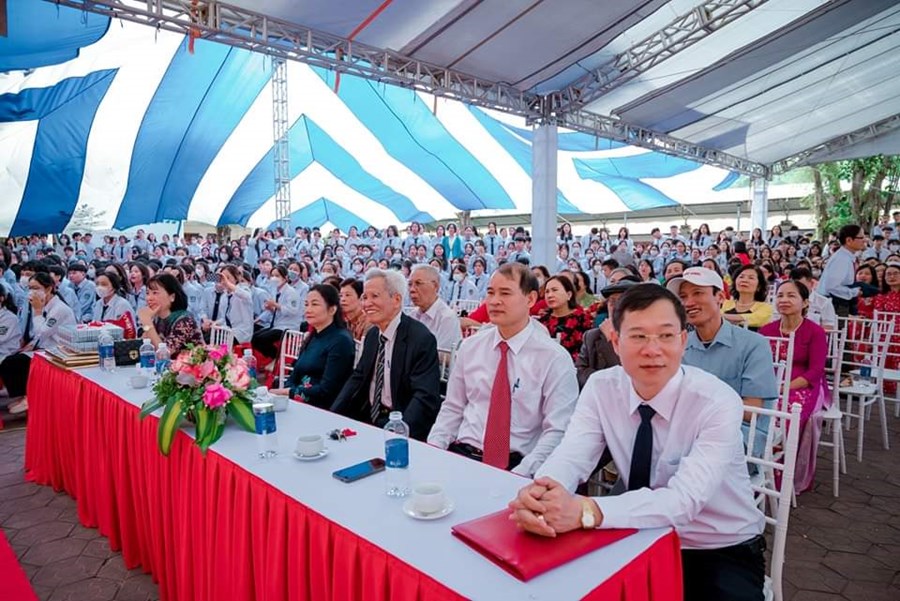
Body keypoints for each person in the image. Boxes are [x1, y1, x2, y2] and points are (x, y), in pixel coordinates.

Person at [509, 284, 766, 601]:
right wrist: (545, 492)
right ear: (616, 342)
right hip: (632, 531)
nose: (652, 349)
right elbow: (573, 454)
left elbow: (684, 501)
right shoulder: (602, 387)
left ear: (683, 341)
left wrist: (586, 510)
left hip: (715, 546)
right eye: (638, 336)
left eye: (666, 335)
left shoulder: (716, 401)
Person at [428, 262, 579, 475]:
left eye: (505, 293)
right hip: (463, 454)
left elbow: (557, 429)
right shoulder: (471, 347)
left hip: (520, 465)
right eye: (491, 293)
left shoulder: (553, 358)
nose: (494, 301)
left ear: (531, 299)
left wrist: (522, 473)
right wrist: (434, 449)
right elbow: (452, 408)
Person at [671, 267, 778, 454]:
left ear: (720, 297)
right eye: (683, 297)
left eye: (697, 293)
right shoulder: (679, 345)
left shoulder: (753, 344)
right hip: (687, 433)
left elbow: (751, 412)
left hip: (739, 436)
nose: (689, 302)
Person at [330, 269, 441, 440]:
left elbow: (424, 397)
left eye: (374, 296)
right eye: (364, 297)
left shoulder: (421, 339)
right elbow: (358, 377)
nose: (367, 304)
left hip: (401, 422)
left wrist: (398, 433)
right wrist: (333, 413)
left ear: (396, 300)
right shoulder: (373, 335)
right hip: (368, 417)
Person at [759, 280, 828, 492]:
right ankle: (756, 467)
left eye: (791, 296)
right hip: (770, 381)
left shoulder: (815, 332)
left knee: (783, 414)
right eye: (780, 295)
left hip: (804, 385)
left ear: (805, 302)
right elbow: (758, 364)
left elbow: (816, 370)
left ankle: (778, 476)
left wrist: (783, 388)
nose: (784, 300)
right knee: (752, 410)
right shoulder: (766, 330)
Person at [270, 285, 355, 409]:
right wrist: (288, 391)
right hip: (299, 402)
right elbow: (294, 374)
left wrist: (288, 392)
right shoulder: (313, 336)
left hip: (323, 408)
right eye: (306, 304)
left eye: (314, 304)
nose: (308, 310)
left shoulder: (341, 341)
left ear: (332, 309)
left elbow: (328, 390)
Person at [7, 272, 78, 415]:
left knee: (16, 362)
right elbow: (37, 334)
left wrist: (38, 311)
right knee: (11, 360)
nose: (32, 292)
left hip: (59, 351)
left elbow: (42, 331)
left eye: (36, 288)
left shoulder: (59, 309)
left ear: (48, 289)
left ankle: (30, 397)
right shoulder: (45, 304)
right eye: (30, 288)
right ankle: (24, 394)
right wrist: (30, 345)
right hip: (45, 346)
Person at [574, 279, 638, 389]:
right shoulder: (592, 336)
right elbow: (580, 373)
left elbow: (630, 378)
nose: (615, 307)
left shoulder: (645, 336)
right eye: (612, 302)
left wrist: (611, 342)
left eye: (622, 302)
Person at [137, 274, 204, 356]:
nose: (149, 298)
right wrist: (146, 325)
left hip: (192, 363)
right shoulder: (158, 318)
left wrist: (147, 322)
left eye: (155, 293)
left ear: (172, 297)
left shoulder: (185, 320)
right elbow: (145, 343)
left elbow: (164, 354)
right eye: (147, 293)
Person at [251, 265, 302, 360]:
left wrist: (275, 305)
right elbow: (275, 311)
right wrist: (270, 308)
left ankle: (276, 359)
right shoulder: (274, 291)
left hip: (288, 326)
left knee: (262, 339)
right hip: (276, 324)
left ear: (285, 278)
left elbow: (292, 311)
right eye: (272, 276)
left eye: (277, 276)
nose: (274, 278)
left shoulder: (291, 292)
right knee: (254, 338)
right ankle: (273, 358)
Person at [537, 275, 593, 362]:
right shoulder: (542, 321)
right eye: (547, 292)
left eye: (555, 290)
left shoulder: (582, 318)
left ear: (569, 294)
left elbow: (588, 351)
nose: (550, 295)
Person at [408, 265, 461, 351]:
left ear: (435, 286)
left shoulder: (447, 318)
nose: (412, 289)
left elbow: (442, 355)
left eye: (418, 283)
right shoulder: (412, 316)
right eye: (410, 284)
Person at [818, 224, 866, 317]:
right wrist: (855, 292)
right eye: (861, 237)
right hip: (834, 305)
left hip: (838, 303)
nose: (864, 240)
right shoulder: (841, 259)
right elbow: (832, 287)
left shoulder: (847, 256)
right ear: (849, 240)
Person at [721, 265, 772, 330]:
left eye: (751, 278)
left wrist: (722, 317)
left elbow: (754, 319)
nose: (744, 280)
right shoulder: (725, 304)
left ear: (759, 286)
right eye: (741, 277)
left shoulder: (765, 307)